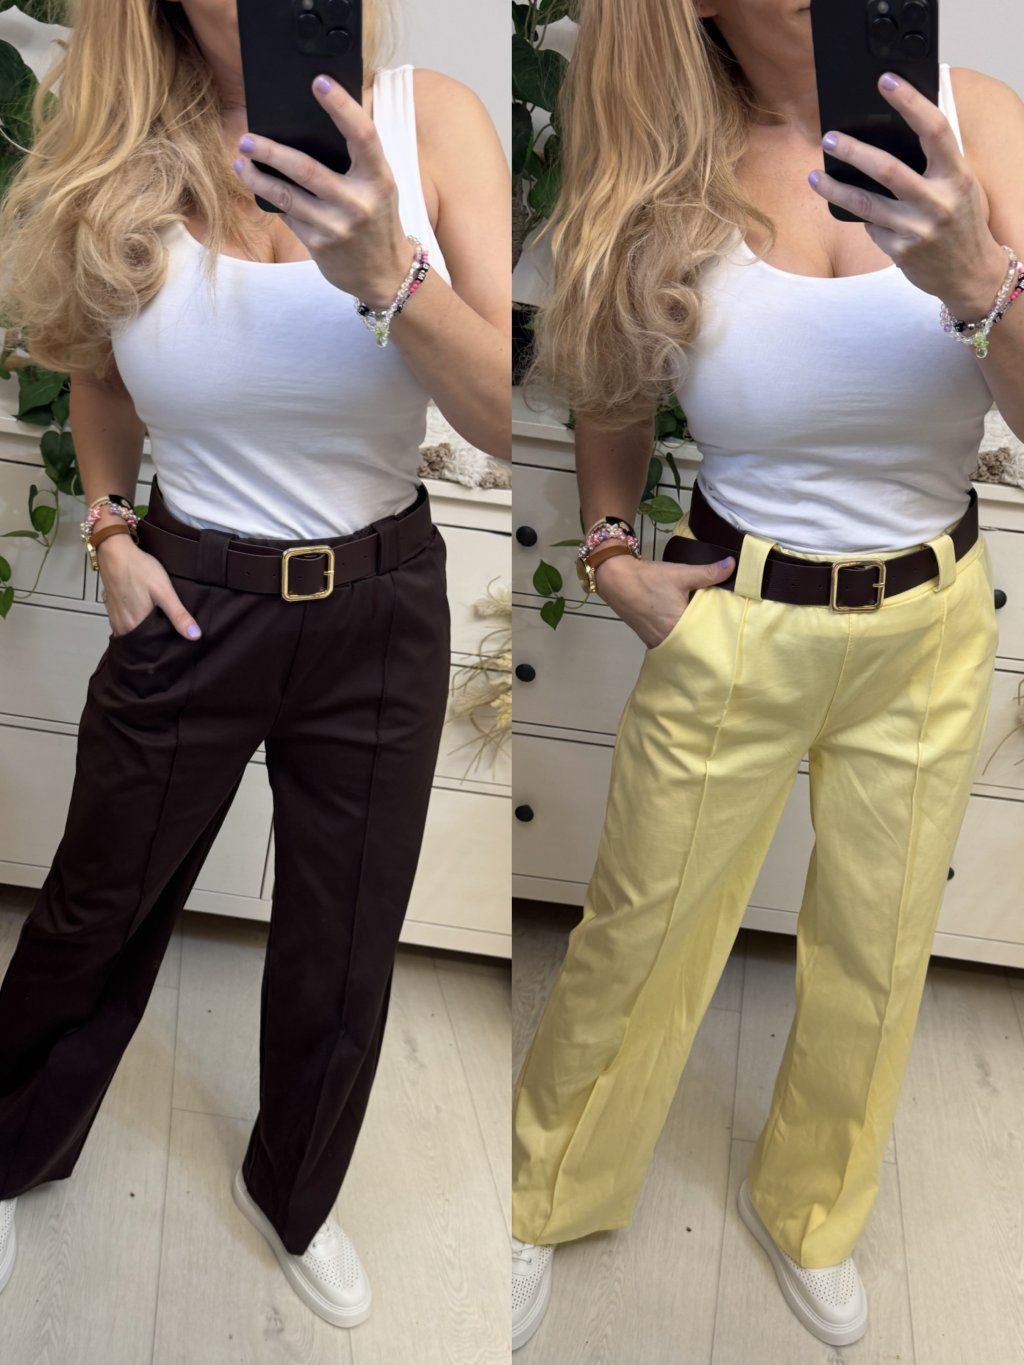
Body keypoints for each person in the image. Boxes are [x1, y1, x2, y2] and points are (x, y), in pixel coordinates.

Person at [511, 0, 1024, 1351]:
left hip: (929, 624)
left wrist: (979, 277)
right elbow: (610, 383)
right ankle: (545, 1190)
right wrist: (609, 552)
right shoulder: (659, 155)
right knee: (641, 928)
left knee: (879, 947)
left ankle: (814, 1211)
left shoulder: (980, 124)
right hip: (731, 617)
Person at [0, 0, 510, 1329]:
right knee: (95, 904)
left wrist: (390, 269)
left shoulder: (433, 126)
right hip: (190, 596)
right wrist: (110, 529)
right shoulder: (115, 144)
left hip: (380, 605)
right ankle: (7, 1151)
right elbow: (99, 373)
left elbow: (507, 415)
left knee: (345, 940)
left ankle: (297, 1193)